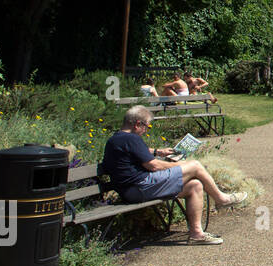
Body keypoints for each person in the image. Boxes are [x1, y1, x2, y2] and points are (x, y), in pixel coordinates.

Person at [101, 105, 246, 245]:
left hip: (132, 190)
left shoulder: (116, 139)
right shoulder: (131, 139)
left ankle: (197, 234)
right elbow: (154, 166)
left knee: (194, 186)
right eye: (147, 126)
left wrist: (158, 152)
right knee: (195, 165)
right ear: (138, 124)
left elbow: (138, 151)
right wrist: (181, 165)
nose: (146, 131)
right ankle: (221, 199)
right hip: (139, 187)